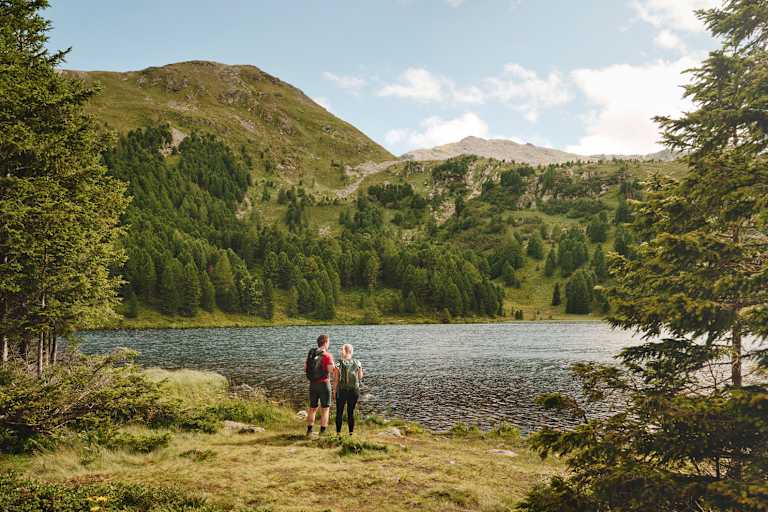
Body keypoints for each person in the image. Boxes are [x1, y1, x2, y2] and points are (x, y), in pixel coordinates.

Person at [305, 334, 334, 436]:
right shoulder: (327, 355)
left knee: (312, 408)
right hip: (324, 384)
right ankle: (322, 432)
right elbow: (331, 370)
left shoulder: (311, 354)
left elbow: (306, 368)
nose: (329, 344)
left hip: (312, 384)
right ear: (325, 343)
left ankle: (309, 431)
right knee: (325, 409)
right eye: (328, 342)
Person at [333, 343, 363, 436]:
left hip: (341, 390)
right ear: (351, 351)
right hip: (354, 390)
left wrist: (334, 391)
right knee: (351, 412)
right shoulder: (357, 362)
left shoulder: (338, 363)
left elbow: (336, 379)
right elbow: (360, 377)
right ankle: (351, 433)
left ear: (343, 351)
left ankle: (338, 433)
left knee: (339, 412)